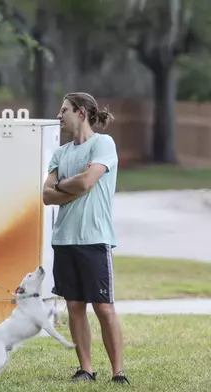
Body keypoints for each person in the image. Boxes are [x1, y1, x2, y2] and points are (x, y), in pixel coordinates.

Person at [42, 92, 129, 385]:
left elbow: (89, 181)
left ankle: (118, 373)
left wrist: (66, 185)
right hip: (64, 239)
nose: (59, 115)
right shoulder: (61, 152)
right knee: (74, 306)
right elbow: (46, 194)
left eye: (63, 110)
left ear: (80, 112)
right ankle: (86, 369)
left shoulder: (103, 143)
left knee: (103, 307)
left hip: (94, 238)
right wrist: (74, 183)